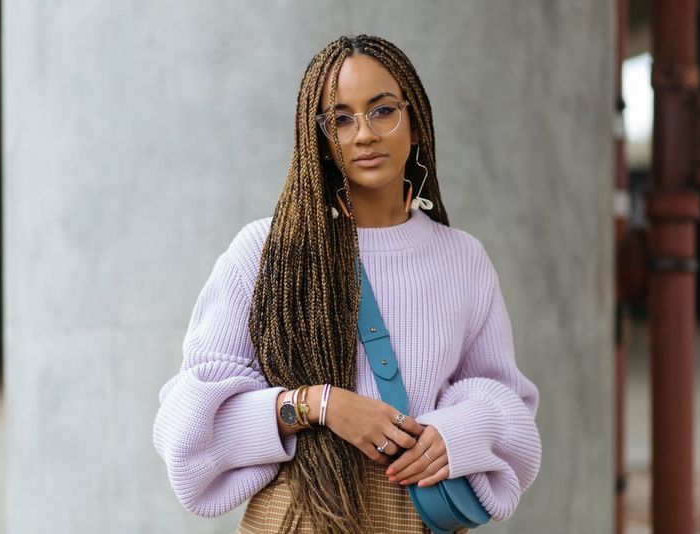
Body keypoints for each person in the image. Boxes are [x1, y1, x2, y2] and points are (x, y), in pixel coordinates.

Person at [153, 34, 541, 534]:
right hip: (300, 513)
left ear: (416, 120)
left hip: (416, 514)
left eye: (382, 111)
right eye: (340, 118)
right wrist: (320, 405)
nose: (364, 134)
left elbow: (507, 404)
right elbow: (187, 424)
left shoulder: (462, 257)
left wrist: (455, 434)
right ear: (320, 138)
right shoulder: (266, 251)